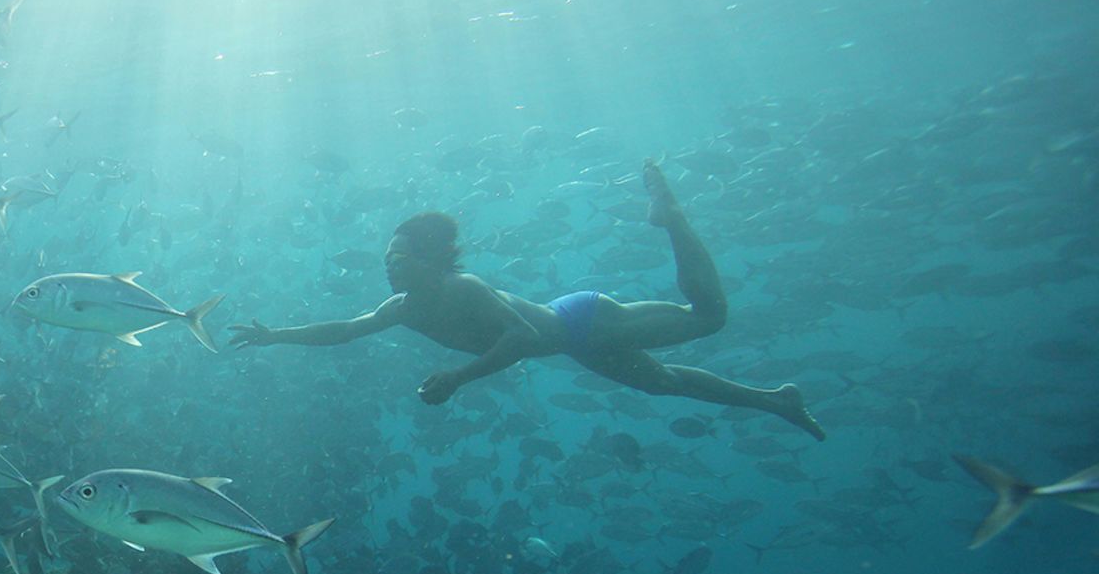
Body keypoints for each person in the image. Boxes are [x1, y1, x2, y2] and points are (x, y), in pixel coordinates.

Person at [229, 161, 825, 440]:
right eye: (386, 259)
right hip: (575, 345)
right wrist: (273, 335)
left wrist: (458, 378)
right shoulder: (403, 309)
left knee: (708, 319)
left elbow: (521, 338)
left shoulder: (464, 288)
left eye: (400, 257)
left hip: (582, 319)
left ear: (435, 260)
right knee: (663, 383)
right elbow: (345, 329)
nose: (389, 266)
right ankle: (775, 400)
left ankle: (669, 216)